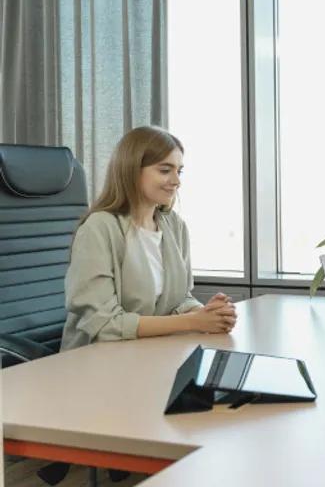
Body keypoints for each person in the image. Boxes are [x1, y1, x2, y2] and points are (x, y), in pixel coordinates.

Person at [61, 126, 237, 350]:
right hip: (96, 360)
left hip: (148, 353)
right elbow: (105, 324)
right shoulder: (99, 228)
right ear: (132, 170)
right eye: (165, 170)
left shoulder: (174, 226)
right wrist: (193, 321)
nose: (176, 181)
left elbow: (180, 299)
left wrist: (206, 313)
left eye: (179, 171)